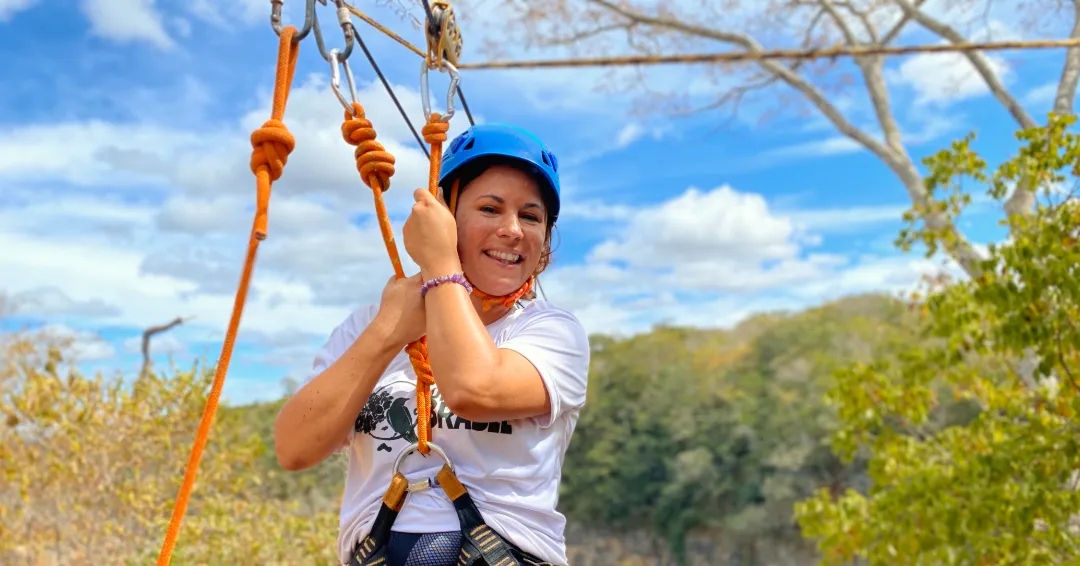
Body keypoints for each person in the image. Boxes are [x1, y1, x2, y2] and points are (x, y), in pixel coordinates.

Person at [272, 123, 591, 566]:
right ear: (445, 217)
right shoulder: (368, 325)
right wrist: (388, 332)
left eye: (531, 217)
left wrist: (440, 265)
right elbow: (294, 448)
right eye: (490, 208)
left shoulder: (550, 331)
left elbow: (473, 389)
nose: (512, 230)